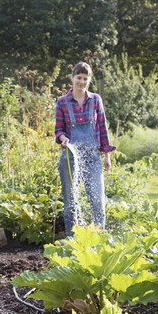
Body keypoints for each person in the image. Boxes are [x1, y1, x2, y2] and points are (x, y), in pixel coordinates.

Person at [54, 62, 115, 237]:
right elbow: (59, 130)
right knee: (70, 204)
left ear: (89, 80)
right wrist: (63, 138)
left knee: (98, 201)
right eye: (78, 77)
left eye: (85, 78)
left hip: (93, 157)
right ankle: (74, 242)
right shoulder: (62, 102)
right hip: (70, 158)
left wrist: (107, 156)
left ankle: (99, 239)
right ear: (72, 78)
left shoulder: (95, 100)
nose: (81, 81)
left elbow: (102, 128)